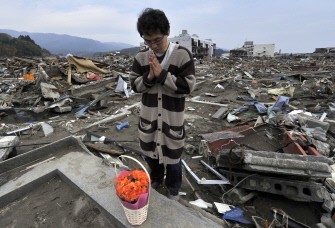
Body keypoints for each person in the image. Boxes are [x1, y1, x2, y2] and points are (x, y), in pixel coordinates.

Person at [130, 8, 196, 200]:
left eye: (157, 40)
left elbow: (188, 86)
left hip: (171, 121)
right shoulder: (141, 58)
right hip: (149, 120)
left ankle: (173, 191)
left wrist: (163, 75)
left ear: (167, 32)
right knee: (151, 156)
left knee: (173, 160)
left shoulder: (182, 55)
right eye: (148, 41)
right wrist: (149, 76)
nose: (153, 45)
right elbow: (134, 85)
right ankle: (156, 182)